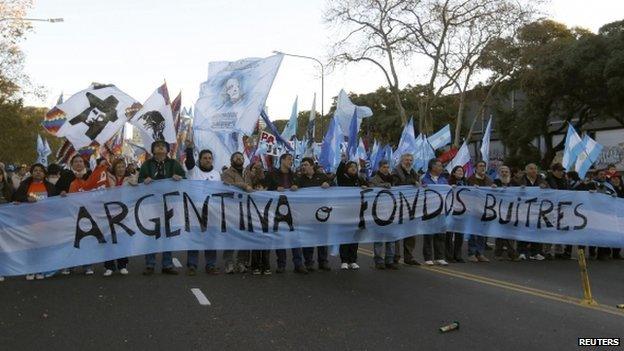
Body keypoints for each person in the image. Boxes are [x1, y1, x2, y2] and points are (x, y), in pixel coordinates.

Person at [138, 140, 185, 275]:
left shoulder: (174, 164)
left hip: (169, 204)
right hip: (151, 204)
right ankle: (150, 264)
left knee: (167, 234)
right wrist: (144, 181)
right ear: (153, 150)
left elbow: (185, 179)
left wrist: (179, 177)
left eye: (163, 146)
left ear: (167, 150)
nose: (160, 147)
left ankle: (167, 264)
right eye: (157, 146)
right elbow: (140, 180)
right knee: (151, 234)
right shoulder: (147, 164)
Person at [13, 163, 59, 280]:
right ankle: (30, 270)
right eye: (35, 170)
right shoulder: (25, 185)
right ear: (31, 173)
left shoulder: (50, 186)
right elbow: (16, 197)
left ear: (44, 174)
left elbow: (56, 200)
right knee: (30, 248)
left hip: (45, 222)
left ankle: (41, 269)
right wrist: (25, 199)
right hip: (29, 222)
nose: (38, 172)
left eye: (40, 171)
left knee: (43, 247)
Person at [184, 141, 221, 275]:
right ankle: (192, 265)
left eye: (210, 158)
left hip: (211, 212)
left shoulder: (217, 174)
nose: (207, 160)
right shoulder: (194, 171)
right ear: (199, 160)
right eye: (204, 158)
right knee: (194, 237)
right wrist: (189, 149)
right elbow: (189, 163)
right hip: (195, 211)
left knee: (210, 238)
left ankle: (210, 265)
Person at [266, 153, 307, 274]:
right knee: (280, 237)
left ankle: (298, 264)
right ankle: (281, 264)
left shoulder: (294, 176)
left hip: (293, 210)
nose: (291, 161)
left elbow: (301, 188)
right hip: (278, 210)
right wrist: (275, 188)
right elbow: (265, 189)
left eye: (292, 160)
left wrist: (296, 186)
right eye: (289, 159)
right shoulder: (272, 174)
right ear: (282, 160)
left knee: (295, 237)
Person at [296, 157, 332, 271]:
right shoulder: (300, 179)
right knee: (308, 238)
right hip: (306, 214)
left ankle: (323, 262)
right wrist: (294, 188)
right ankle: (309, 262)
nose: (303, 167)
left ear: (312, 166)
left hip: (321, 213)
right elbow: (294, 190)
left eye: (305, 165)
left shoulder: (321, 177)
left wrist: (328, 183)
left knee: (322, 238)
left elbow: (333, 183)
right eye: (302, 165)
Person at [102, 158, 137, 277]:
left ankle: (122, 265)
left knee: (122, 238)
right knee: (109, 238)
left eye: (123, 166)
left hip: (124, 212)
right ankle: (109, 266)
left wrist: (136, 183)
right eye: (118, 166)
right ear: (114, 167)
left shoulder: (131, 178)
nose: (121, 168)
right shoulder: (107, 177)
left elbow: (138, 190)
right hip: (109, 211)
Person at [221, 151, 253, 274]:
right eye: (236, 157)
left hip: (246, 208)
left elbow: (252, 186)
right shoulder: (227, 173)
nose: (239, 158)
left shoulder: (247, 173)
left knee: (244, 236)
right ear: (232, 160)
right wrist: (243, 185)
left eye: (241, 157)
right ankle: (228, 263)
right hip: (232, 208)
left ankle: (241, 262)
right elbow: (227, 186)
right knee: (231, 236)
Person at [336, 160, 368, 270]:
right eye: (351, 167)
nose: (354, 168)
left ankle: (353, 260)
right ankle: (344, 260)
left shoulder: (359, 179)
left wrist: (365, 186)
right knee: (345, 237)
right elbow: (339, 173)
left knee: (355, 238)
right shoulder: (343, 178)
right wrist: (342, 161)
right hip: (345, 212)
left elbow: (369, 187)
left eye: (355, 166)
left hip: (358, 213)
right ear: (347, 169)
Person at [391, 153, 421, 265]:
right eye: (406, 160)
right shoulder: (395, 172)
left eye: (410, 160)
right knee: (397, 232)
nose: (409, 162)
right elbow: (397, 184)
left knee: (410, 232)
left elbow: (419, 185)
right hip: (399, 206)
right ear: (401, 161)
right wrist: (413, 182)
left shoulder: (414, 173)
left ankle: (409, 257)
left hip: (411, 206)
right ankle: (395, 256)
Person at [370, 160, 399, 270]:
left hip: (391, 211)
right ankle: (378, 260)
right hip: (379, 212)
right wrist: (382, 186)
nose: (386, 169)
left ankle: (389, 260)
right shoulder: (374, 179)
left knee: (391, 238)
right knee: (379, 238)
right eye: (384, 167)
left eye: (388, 167)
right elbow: (372, 190)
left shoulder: (393, 180)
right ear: (379, 168)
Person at [245, 160, 272, 275]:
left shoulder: (267, 179)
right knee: (255, 240)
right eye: (255, 168)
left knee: (266, 240)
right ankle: (255, 265)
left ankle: (266, 265)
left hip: (266, 214)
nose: (258, 170)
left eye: (260, 167)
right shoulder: (248, 180)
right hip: (253, 214)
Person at [516, 163, 548, 261]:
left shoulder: (541, 181)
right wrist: (520, 189)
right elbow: (513, 191)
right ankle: (522, 251)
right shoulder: (520, 180)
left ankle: (535, 252)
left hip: (537, 210)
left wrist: (545, 187)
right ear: (526, 171)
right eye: (531, 168)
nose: (533, 170)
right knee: (523, 230)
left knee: (536, 231)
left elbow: (550, 191)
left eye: (535, 169)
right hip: (524, 210)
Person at [420, 159, 448, 266]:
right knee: (428, 234)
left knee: (440, 234)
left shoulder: (444, 180)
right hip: (428, 210)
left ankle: (439, 257)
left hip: (441, 210)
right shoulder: (424, 178)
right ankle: (428, 257)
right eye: (439, 165)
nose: (441, 168)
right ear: (432, 167)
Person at [466, 160, 494, 263]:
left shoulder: (489, 180)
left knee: (482, 232)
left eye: (484, 166)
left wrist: (494, 188)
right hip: (474, 209)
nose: (482, 168)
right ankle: (472, 253)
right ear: (476, 168)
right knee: (473, 232)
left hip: (485, 209)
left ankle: (480, 253)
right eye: (480, 166)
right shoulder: (471, 179)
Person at [493, 165, 520, 261]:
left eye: (506, 171)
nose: (504, 173)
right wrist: (493, 188)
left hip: (511, 211)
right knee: (500, 233)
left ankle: (511, 253)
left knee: (510, 233)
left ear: (509, 173)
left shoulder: (514, 183)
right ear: (499, 173)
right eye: (502, 171)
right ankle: (498, 253)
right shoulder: (495, 183)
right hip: (499, 211)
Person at [545, 163, 570, 259]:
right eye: (559, 170)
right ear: (553, 171)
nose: (561, 172)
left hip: (562, 207)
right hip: (550, 207)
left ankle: (559, 251)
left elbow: (569, 191)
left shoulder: (565, 180)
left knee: (561, 228)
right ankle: (547, 250)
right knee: (549, 228)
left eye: (562, 170)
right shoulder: (547, 180)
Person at [446, 165, 466, 263]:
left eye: (462, 171)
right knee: (449, 234)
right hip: (451, 211)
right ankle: (449, 255)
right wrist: (449, 188)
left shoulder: (466, 183)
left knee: (459, 235)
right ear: (453, 173)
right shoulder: (448, 183)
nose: (460, 172)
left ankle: (458, 255)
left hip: (462, 212)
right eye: (458, 171)